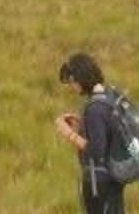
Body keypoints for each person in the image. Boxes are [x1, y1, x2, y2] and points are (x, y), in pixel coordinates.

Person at [54, 53, 126, 213]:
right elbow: (107, 133)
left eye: (72, 81)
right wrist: (81, 127)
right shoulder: (108, 96)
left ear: (81, 78)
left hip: (98, 182)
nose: (72, 87)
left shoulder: (95, 108)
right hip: (113, 178)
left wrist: (68, 133)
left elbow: (96, 151)